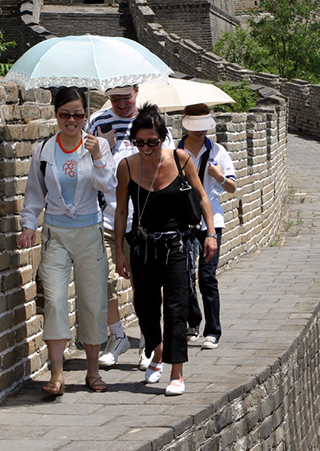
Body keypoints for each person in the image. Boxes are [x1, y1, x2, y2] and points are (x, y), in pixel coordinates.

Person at [17, 86, 116, 396]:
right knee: (56, 301)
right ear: (56, 115)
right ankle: (57, 373)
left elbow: (109, 185)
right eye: (65, 114)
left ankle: (93, 371)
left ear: (85, 116)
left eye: (78, 114)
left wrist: (98, 156)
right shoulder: (44, 150)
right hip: (56, 233)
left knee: (92, 301)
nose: (71, 120)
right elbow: (35, 192)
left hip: (89, 232)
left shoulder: (97, 145)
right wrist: (29, 224)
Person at [113, 104, 216, 396]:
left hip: (176, 245)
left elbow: (203, 198)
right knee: (144, 307)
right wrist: (120, 253)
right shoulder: (128, 167)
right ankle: (156, 351)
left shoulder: (181, 160)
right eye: (140, 142)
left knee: (175, 307)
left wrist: (211, 234)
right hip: (143, 246)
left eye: (152, 142)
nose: (146, 147)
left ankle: (176, 371)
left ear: (163, 139)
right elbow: (122, 211)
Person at [87, 84, 171, 370]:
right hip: (106, 216)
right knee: (104, 282)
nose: (121, 103)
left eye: (126, 97)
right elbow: (89, 166)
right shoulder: (98, 122)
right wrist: (102, 149)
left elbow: (166, 165)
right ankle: (118, 335)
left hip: (142, 222)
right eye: (114, 98)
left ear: (137, 91)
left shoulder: (152, 123)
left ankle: (149, 340)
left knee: (144, 287)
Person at [178, 104, 237, 350]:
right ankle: (193, 322)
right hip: (182, 220)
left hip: (212, 221)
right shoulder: (174, 151)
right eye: (195, 127)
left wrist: (218, 176)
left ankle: (213, 331)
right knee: (184, 276)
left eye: (204, 128)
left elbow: (232, 187)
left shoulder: (218, 151)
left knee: (207, 277)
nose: (200, 132)